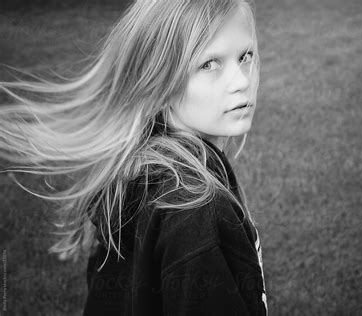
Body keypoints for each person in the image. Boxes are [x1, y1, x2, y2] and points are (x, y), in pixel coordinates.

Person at [0, 0, 267, 314]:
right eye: (209, 64)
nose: (243, 82)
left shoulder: (136, 166)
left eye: (245, 56)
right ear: (159, 77)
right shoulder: (196, 208)